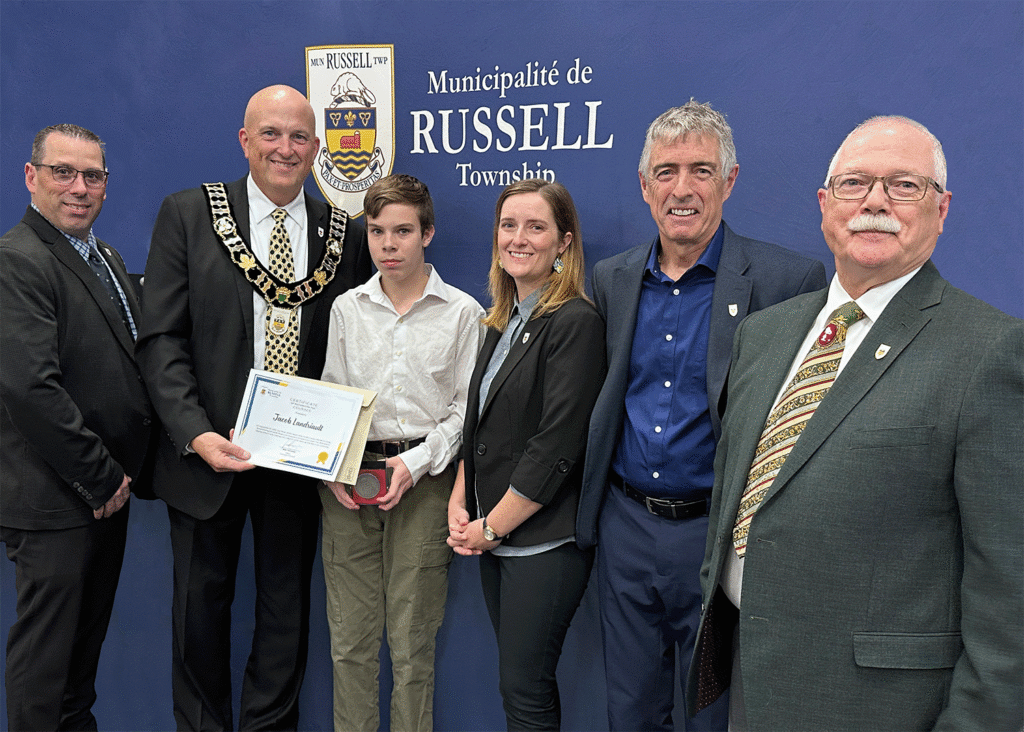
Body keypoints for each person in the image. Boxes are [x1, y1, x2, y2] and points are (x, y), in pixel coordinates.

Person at [688, 116, 1023, 730]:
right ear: (824, 204)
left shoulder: (990, 352)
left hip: (877, 707)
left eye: (904, 186)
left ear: (942, 209)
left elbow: (1011, 590)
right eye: (854, 184)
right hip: (751, 685)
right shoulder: (765, 334)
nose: (875, 201)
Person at [576, 101, 826, 731]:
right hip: (626, 526)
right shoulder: (611, 279)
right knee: (628, 708)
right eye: (665, 172)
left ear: (730, 180)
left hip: (718, 529)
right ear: (643, 185)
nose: (681, 189)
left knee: (711, 714)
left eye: (700, 171)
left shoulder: (785, 280)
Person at [135, 85, 372, 731]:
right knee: (198, 615)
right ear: (245, 141)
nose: (285, 148)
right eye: (271, 134)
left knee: (284, 616)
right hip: (207, 456)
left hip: (297, 463)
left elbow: (351, 350)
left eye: (299, 136)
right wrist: (195, 433)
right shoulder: (187, 215)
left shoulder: (342, 235)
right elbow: (161, 340)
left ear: (317, 149)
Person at [1, 123, 155, 731]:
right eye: (63, 172)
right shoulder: (18, 261)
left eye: (93, 175)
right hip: (57, 501)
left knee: (75, 681)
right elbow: (30, 388)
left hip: (99, 500)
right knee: (44, 679)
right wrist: (102, 477)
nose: (79, 187)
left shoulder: (105, 257)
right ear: (32, 176)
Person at [317, 174, 484, 732]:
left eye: (403, 231)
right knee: (350, 643)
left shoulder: (463, 314)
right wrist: (333, 466)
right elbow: (332, 394)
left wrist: (414, 466)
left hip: (424, 478)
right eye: (378, 231)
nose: (389, 244)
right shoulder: (346, 309)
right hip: (349, 482)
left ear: (427, 234)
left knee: (412, 646)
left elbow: (467, 413)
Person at [447, 179, 606, 731]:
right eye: (508, 225)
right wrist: (459, 500)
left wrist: (490, 527)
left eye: (535, 227)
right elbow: (480, 427)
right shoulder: (502, 322)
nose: (518, 238)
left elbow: (555, 446)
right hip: (495, 534)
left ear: (564, 242)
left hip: (543, 542)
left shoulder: (574, 322)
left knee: (526, 690)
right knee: (516, 687)